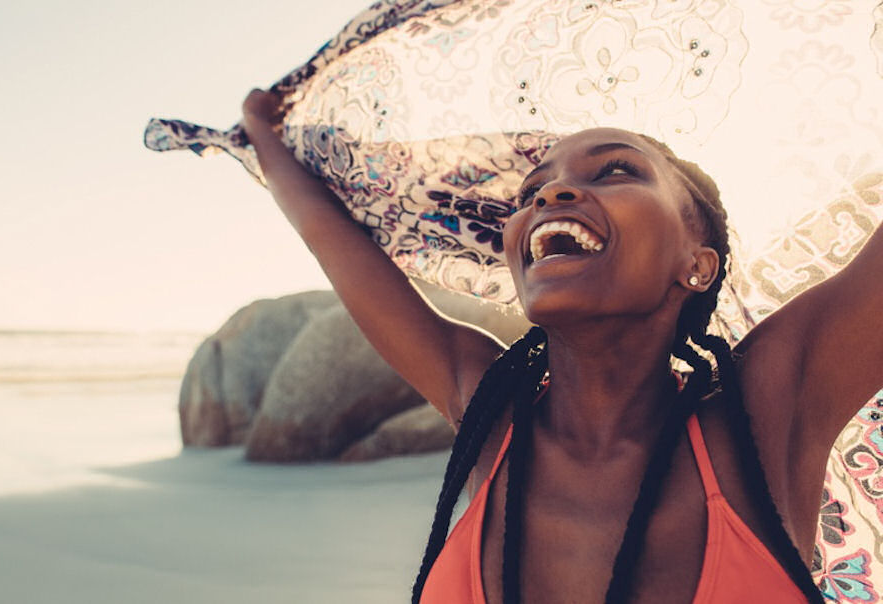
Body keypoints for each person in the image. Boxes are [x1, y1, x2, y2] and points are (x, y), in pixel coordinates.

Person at [239, 88, 882, 603]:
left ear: (699, 265)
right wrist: (265, 136)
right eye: (532, 192)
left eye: (616, 171)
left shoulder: (766, 412)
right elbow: (335, 243)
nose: (551, 194)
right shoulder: (490, 418)